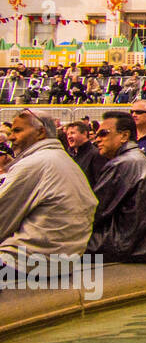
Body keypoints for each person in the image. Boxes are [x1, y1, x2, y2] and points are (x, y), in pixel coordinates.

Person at [0, 109, 96, 268]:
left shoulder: (34, 163)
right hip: (63, 259)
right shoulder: (63, 159)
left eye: (17, 131)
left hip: (29, 260)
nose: (11, 137)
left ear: (40, 133)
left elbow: (2, 217)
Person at [86, 111, 146, 263]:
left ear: (124, 136)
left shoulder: (121, 164)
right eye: (96, 135)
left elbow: (93, 212)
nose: (97, 140)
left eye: (103, 134)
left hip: (122, 245)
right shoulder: (141, 159)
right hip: (139, 244)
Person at [64, 119, 106, 187]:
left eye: (72, 133)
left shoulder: (96, 155)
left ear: (84, 133)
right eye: (68, 134)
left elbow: (100, 184)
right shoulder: (68, 154)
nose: (69, 137)